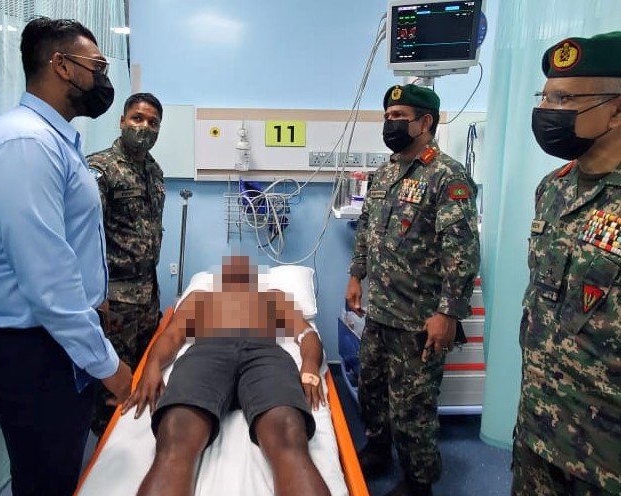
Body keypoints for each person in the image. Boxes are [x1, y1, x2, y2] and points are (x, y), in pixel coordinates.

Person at [0, 17, 133, 496]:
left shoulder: (54, 140)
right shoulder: (26, 144)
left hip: (54, 344)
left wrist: (97, 299)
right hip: (33, 352)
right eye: (97, 66)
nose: (103, 78)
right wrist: (109, 366)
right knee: (46, 484)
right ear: (62, 65)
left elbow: (69, 242)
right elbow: (46, 280)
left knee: (58, 477)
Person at [346, 84, 481, 496]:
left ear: (425, 122)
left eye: (400, 116)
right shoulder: (385, 173)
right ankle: (378, 451)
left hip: (420, 318)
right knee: (372, 391)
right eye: (388, 116)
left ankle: (419, 482)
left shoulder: (447, 175)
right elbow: (367, 229)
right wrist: (356, 275)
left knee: (413, 408)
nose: (391, 123)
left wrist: (448, 313)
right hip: (381, 311)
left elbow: (462, 251)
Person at [512, 32, 621, 496]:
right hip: (539, 425)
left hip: (605, 455)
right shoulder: (554, 187)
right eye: (545, 98)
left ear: (616, 109)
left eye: (564, 99)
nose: (547, 111)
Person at [124, 255, 331, 496]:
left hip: (263, 353)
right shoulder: (202, 298)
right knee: (176, 432)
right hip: (208, 351)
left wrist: (310, 365)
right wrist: (153, 365)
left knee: (288, 431)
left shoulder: (271, 298)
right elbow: (173, 334)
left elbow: (306, 334)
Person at [87, 93, 166, 436]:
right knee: (111, 390)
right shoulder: (100, 169)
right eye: (137, 118)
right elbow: (85, 236)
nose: (144, 127)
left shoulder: (154, 171)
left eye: (153, 122)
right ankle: (105, 453)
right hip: (113, 300)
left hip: (147, 296)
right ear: (122, 121)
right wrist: (96, 295)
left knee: (144, 379)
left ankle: (137, 448)